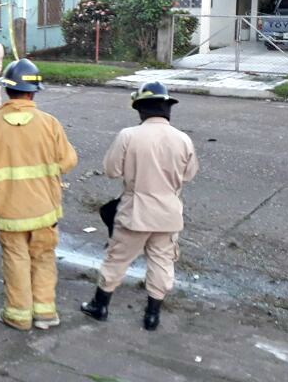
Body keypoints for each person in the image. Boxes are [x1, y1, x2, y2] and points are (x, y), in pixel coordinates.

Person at [0, 59, 77, 331]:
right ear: (32, 93)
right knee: (43, 257)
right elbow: (68, 161)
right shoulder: (49, 123)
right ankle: (46, 313)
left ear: (7, 91)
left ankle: (18, 315)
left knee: (15, 259)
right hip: (45, 210)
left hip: (7, 211)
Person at [81, 81, 199, 331]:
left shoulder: (128, 136)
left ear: (141, 109)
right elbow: (188, 175)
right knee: (162, 263)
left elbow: (111, 170)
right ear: (167, 108)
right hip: (168, 214)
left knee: (117, 260)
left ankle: (100, 306)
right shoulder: (183, 139)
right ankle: (152, 316)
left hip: (135, 212)